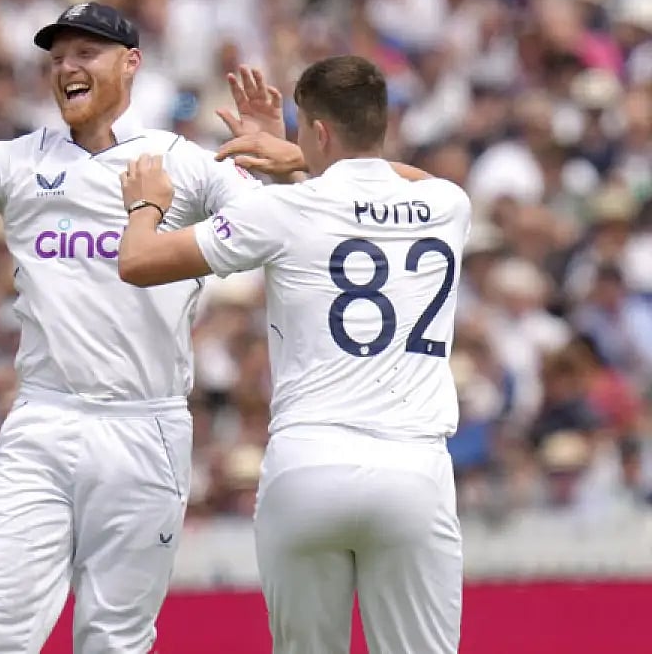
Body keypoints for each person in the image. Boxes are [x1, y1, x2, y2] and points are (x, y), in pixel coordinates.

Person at [0, 1, 283, 654]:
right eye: (57, 57)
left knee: (114, 640)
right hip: (43, 419)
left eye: (85, 53)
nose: (66, 67)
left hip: (145, 423)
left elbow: (275, 229)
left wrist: (275, 165)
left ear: (131, 64)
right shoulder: (13, 161)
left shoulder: (179, 163)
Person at [115, 55, 467, 654]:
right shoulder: (448, 203)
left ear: (320, 130)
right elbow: (390, 184)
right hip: (414, 469)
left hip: (308, 465)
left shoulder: (280, 210)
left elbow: (139, 262)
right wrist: (299, 157)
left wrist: (145, 204)